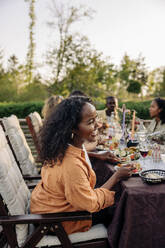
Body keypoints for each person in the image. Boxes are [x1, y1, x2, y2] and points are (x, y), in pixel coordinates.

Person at [30, 96, 134, 235]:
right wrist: (116, 177)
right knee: (124, 209)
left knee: (119, 197)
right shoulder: (71, 165)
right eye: (91, 122)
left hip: (49, 206)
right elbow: (90, 204)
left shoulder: (64, 147)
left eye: (96, 118)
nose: (98, 124)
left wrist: (99, 157)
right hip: (56, 221)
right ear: (72, 128)